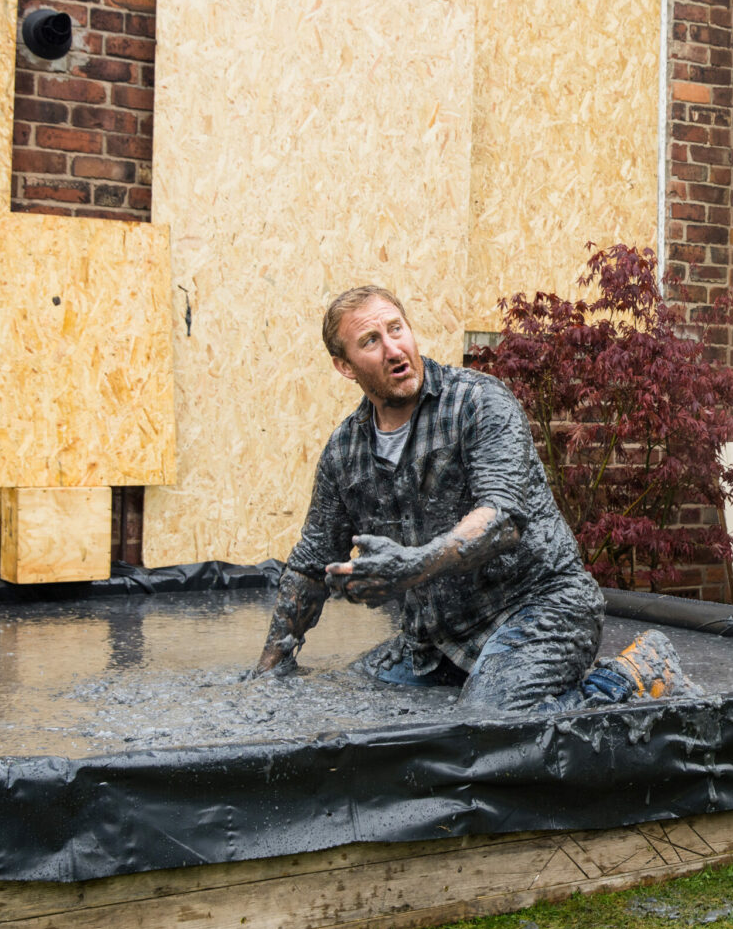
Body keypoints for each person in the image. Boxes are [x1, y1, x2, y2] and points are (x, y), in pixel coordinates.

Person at [251, 284, 694, 711]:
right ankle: (506, 681)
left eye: (396, 329)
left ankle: (629, 674)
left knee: (485, 725)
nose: (393, 349)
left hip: (541, 609)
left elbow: (500, 518)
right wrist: (267, 673)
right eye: (370, 341)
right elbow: (310, 566)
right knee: (351, 694)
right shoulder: (344, 452)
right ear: (345, 366)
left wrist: (413, 565)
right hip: (437, 638)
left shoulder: (478, 401)